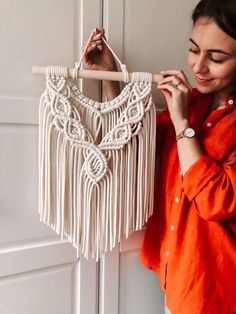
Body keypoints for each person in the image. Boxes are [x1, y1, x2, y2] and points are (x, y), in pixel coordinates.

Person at [83, 0, 236, 313]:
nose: (198, 67)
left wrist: (181, 124)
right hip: (178, 276)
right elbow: (141, 140)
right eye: (194, 50)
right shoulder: (193, 103)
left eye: (216, 57)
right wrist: (111, 76)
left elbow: (215, 200)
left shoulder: (189, 111)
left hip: (218, 290)